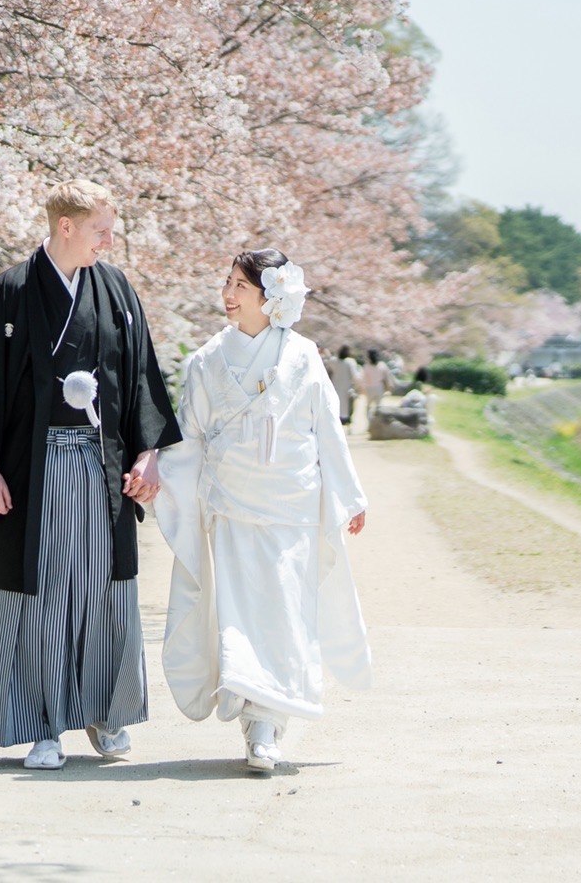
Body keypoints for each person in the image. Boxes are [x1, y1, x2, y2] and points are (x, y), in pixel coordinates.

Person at [0, 179, 182, 771]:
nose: (110, 239)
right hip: (35, 465)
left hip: (102, 468)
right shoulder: (9, 291)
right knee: (43, 591)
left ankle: (107, 714)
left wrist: (147, 455)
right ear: (66, 226)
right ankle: (42, 724)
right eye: (101, 227)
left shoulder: (116, 290)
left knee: (104, 589)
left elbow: (142, 379)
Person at [152, 250, 369, 776]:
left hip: (290, 503)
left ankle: (268, 723)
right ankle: (257, 723)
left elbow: (326, 428)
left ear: (271, 297)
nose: (228, 294)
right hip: (232, 503)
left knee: (285, 613)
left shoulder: (302, 355)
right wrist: (159, 474)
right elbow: (189, 436)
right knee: (241, 612)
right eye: (227, 283)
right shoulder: (207, 359)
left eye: (241, 287)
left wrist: (349, 495)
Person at [329, 345, 359, 426]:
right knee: (347, 407)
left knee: (335, 405)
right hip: (347, 387)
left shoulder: (333, 361)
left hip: (335, 386)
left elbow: (329, 372)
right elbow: (354, 375)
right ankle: (346, 421)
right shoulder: (350, 362)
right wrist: (357, 387)